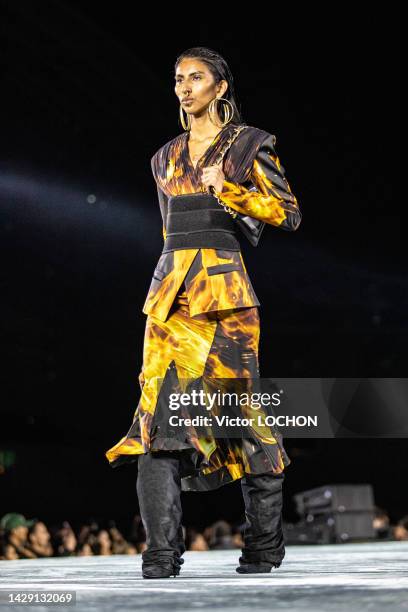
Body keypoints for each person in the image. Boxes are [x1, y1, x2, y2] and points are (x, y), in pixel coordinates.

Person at [105, 46, 301, 579]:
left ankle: (263, 548)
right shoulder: (163, 158)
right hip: (171, 302)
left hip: (228, 302)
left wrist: (232, 192)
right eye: (177, 79)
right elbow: (171, 230)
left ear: (220, 87)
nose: (184, 87)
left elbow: (289, 213)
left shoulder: (249, 145)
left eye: (196, 78)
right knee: (158, 422)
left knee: (245, 417)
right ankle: (160, 556)